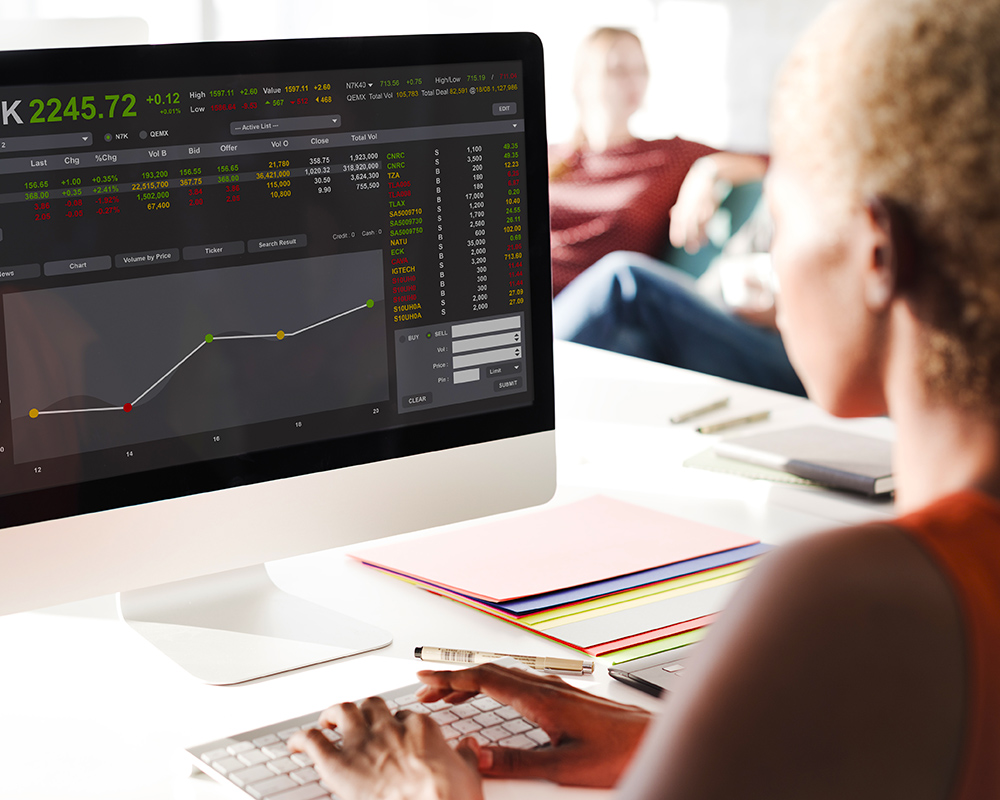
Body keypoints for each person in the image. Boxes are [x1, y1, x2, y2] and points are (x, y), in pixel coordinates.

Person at [290, 0, 1000, 796]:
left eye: (781, 224)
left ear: (877, 254)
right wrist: (675, 742)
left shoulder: (853, 596)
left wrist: (418, 788)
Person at [547, 27, 768, 295]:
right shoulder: (547, 157)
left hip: (602, 303)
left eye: (641, 70)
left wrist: (707, 171)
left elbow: (770, 161)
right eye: (618, 71)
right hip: (525, 300)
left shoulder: (666, 157)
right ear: (581, 83)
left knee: (621, 272)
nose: (634, 81)